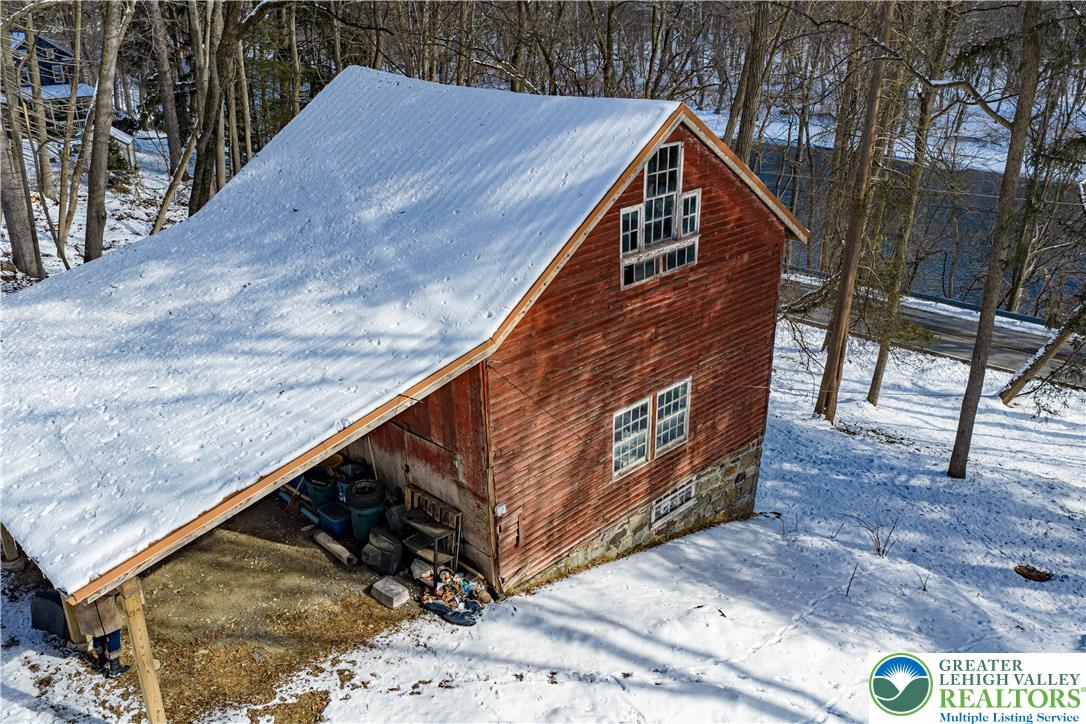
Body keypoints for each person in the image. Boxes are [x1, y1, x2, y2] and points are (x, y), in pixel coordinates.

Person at [75, 592, 130, 678]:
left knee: (97, 634)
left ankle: (102, 661)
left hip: (87, 610)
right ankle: (115, 667)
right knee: (114, 633)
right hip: (105, 607)